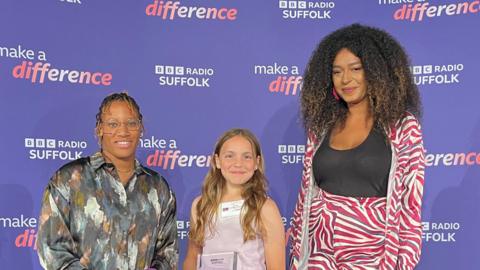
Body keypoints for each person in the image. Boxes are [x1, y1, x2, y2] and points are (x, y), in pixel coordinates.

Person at [289, 24, 425, 270]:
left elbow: (410, 207)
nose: (346, 79)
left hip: (373, 256)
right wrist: (298, 256)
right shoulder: (320, 128)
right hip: (319, 255)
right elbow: (304, 199)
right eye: (337, 71)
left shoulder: (402, 126)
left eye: (356, 69)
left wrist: (403, 263)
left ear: (375, 71)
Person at [37, 92, 178, 269]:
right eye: (113, 124)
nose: (123, 131)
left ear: (141, 129)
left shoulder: (158, 188)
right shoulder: (68, 179)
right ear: (100, 129)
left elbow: (168, 253)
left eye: (131, 123)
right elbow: (52, 249)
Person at [183, 128, 285, 270]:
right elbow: (192, 257)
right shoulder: (200, 205)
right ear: (217, 161)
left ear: (257, 162)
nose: (238, 163)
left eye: (247, 157)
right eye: (229, 156)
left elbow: (277, 266)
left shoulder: (265, 207)